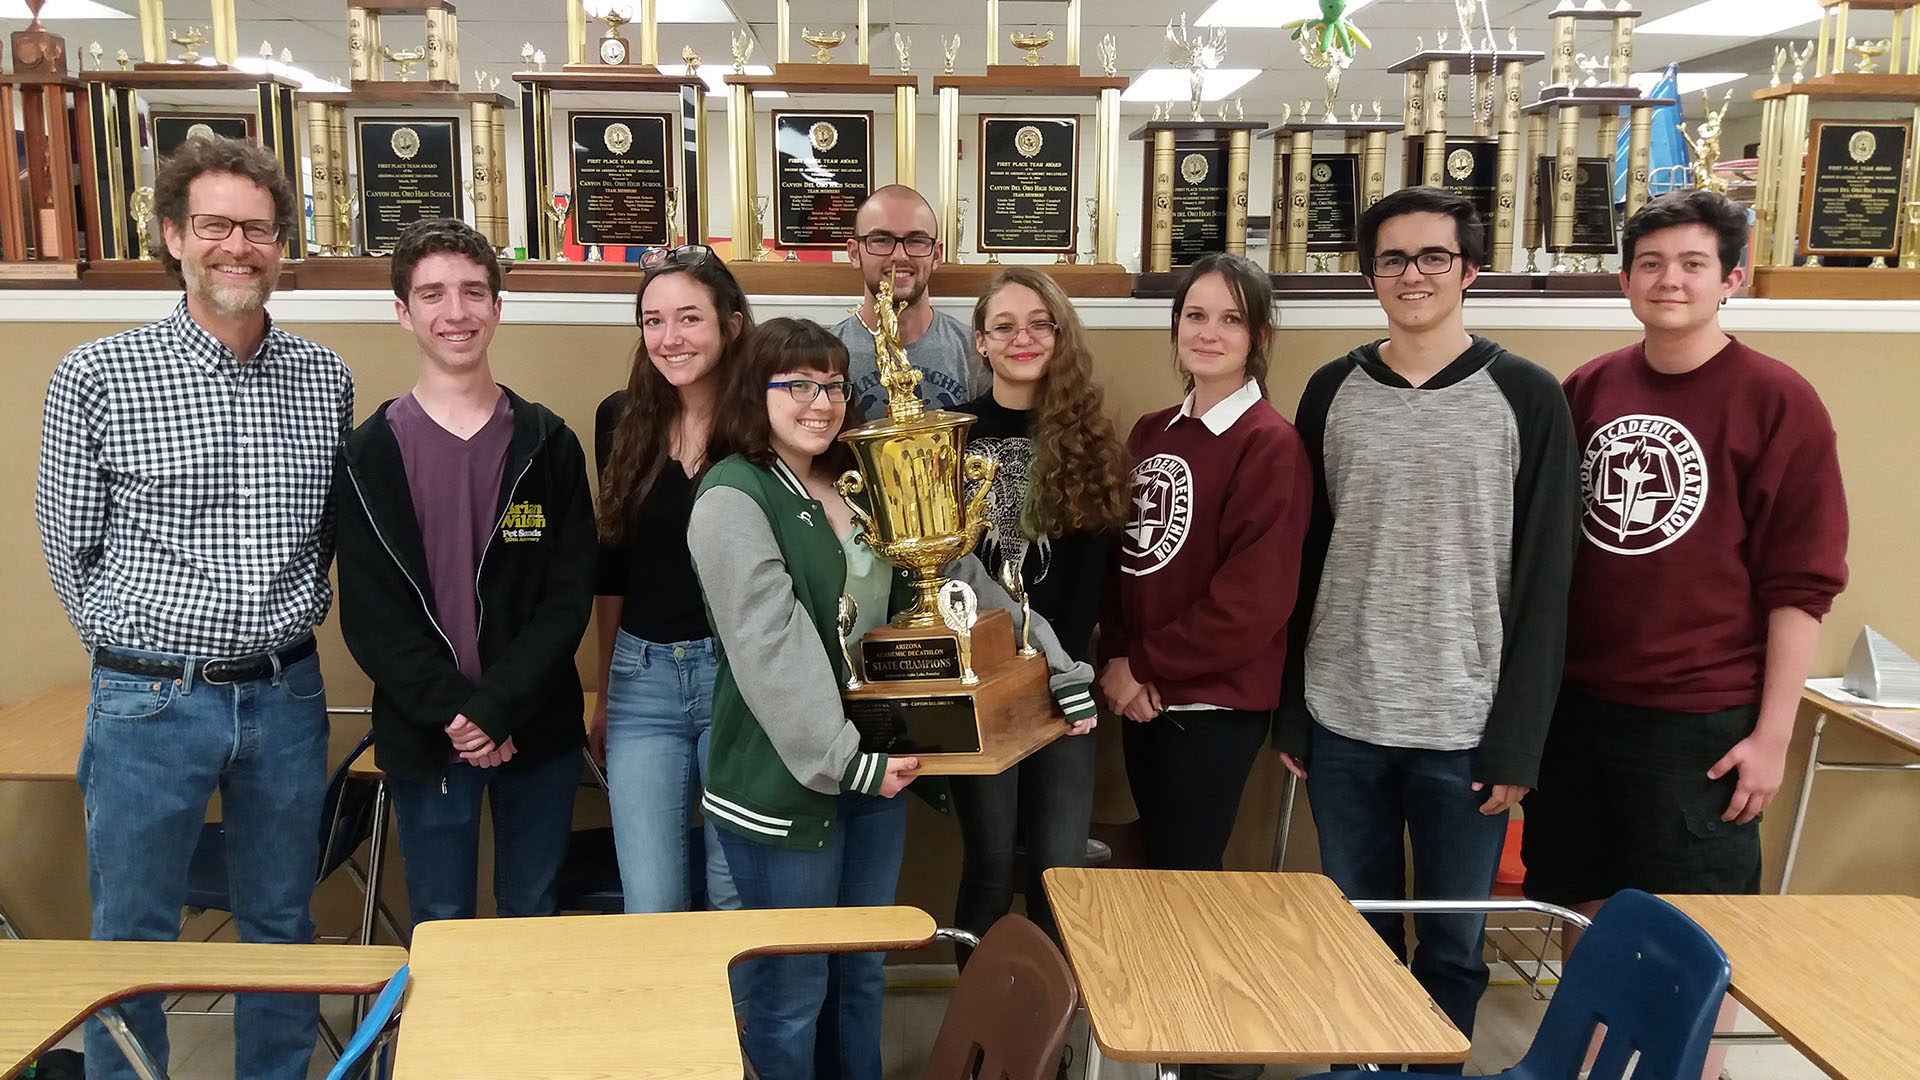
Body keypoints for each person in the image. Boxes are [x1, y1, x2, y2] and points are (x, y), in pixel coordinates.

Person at [687, 317, 1095, 1080]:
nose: (821, 402)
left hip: (880, 771)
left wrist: (1057, 668)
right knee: (794, 992)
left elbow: (961, 582)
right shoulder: (732, 496)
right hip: (789, 787)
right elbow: (770, 646)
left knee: (860, 976)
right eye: (798, 385)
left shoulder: (859, 481)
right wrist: (847, 759)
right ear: (757, 391)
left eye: (834, 384)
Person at [35, 135, 352, 1080]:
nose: (238, 246)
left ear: (280, 246)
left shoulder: (322, 380)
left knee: (281, 926)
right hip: (149, 702)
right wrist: (141, 655)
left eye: (258, 230)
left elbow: (331, 530)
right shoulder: (96, 377)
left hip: (287, 695)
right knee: (132, 933)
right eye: (215, 225)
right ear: (173, 235)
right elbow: (71, 549)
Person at [1277, 186, 1579, 1062]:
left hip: (1466, 727)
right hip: (1345, 717)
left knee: (1452, 949)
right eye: (1393, 259)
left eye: (1433, 257)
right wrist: (1295, 710)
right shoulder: (1332, 390)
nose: (1413, 275)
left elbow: (1547, 583)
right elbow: (1304, 559)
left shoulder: (1527, 396)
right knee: (1355, 935)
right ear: (1370, 275)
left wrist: (1519, 744)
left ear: (1469, 269)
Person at [1522, 190, 1847, 987]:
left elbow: (1799, 586)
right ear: (1625, 281)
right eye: (1652, 264)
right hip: (1578, 709)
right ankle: (1587, 1061)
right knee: (1581, 910)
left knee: (1693, 935)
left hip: (1697, 723)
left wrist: (1772, 736)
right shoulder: (1588, 389)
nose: (1671, 280)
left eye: (1693, 264)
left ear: (1731, 279)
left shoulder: (1779, 401)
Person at [333, 217, 595, 929]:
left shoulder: (548, 444)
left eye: (474, 293)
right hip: (428, 733)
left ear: (497, 308)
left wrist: (497, 708)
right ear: (403, 312)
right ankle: (446, 1046)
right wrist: (459, 712)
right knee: (441, 917)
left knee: (532, 908)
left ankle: (527, 1047)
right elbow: (371, 616)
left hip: (536, 728)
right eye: (433, 294)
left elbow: (567, 598)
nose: (456, 312)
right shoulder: (367, 456)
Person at [1099, 253, 1313, 878]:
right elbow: (1123, 561)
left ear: (1260, 338)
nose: (1208, 333)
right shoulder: (1152, 430)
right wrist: (1121, 662)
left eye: (1231, 319)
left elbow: (1253, 601)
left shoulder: (1269, 444)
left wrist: (1142, 663)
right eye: (1195, 315)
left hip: (1210, 708)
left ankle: (1189, 983)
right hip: (1140, 695)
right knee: (1157, 862)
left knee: (1187, 873)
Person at [950, 266, 1128, 959]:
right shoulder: (955, 440)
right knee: (990, 868)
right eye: (1005, 326)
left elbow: (1092, 579)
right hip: (982, 688)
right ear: (982, 342)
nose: (1022, 337)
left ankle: (1046, 1046)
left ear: (1059, 336)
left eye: (1038, 323)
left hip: (1064, 687)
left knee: (1060, 874)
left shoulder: (1086, 441)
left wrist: (1064, 672)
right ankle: (981, 1040)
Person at [592, 245, 751, 915]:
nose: (669, 338)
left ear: (730, 325)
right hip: (641, 682)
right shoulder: (620, 417)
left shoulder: (764, 425)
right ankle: (669, 1024)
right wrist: (603, 691)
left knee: (732, 890)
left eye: (689, 318)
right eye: (653, 321)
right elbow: (612, 565)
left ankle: (737, 1025)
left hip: (738, 678)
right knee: (650, 902)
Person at [832, 184, 987, 414]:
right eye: (881, 240)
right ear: (855, 253)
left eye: (916, 240)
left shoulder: (975, 352)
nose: (899, 255)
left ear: (936, 255)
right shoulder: (827, 353)